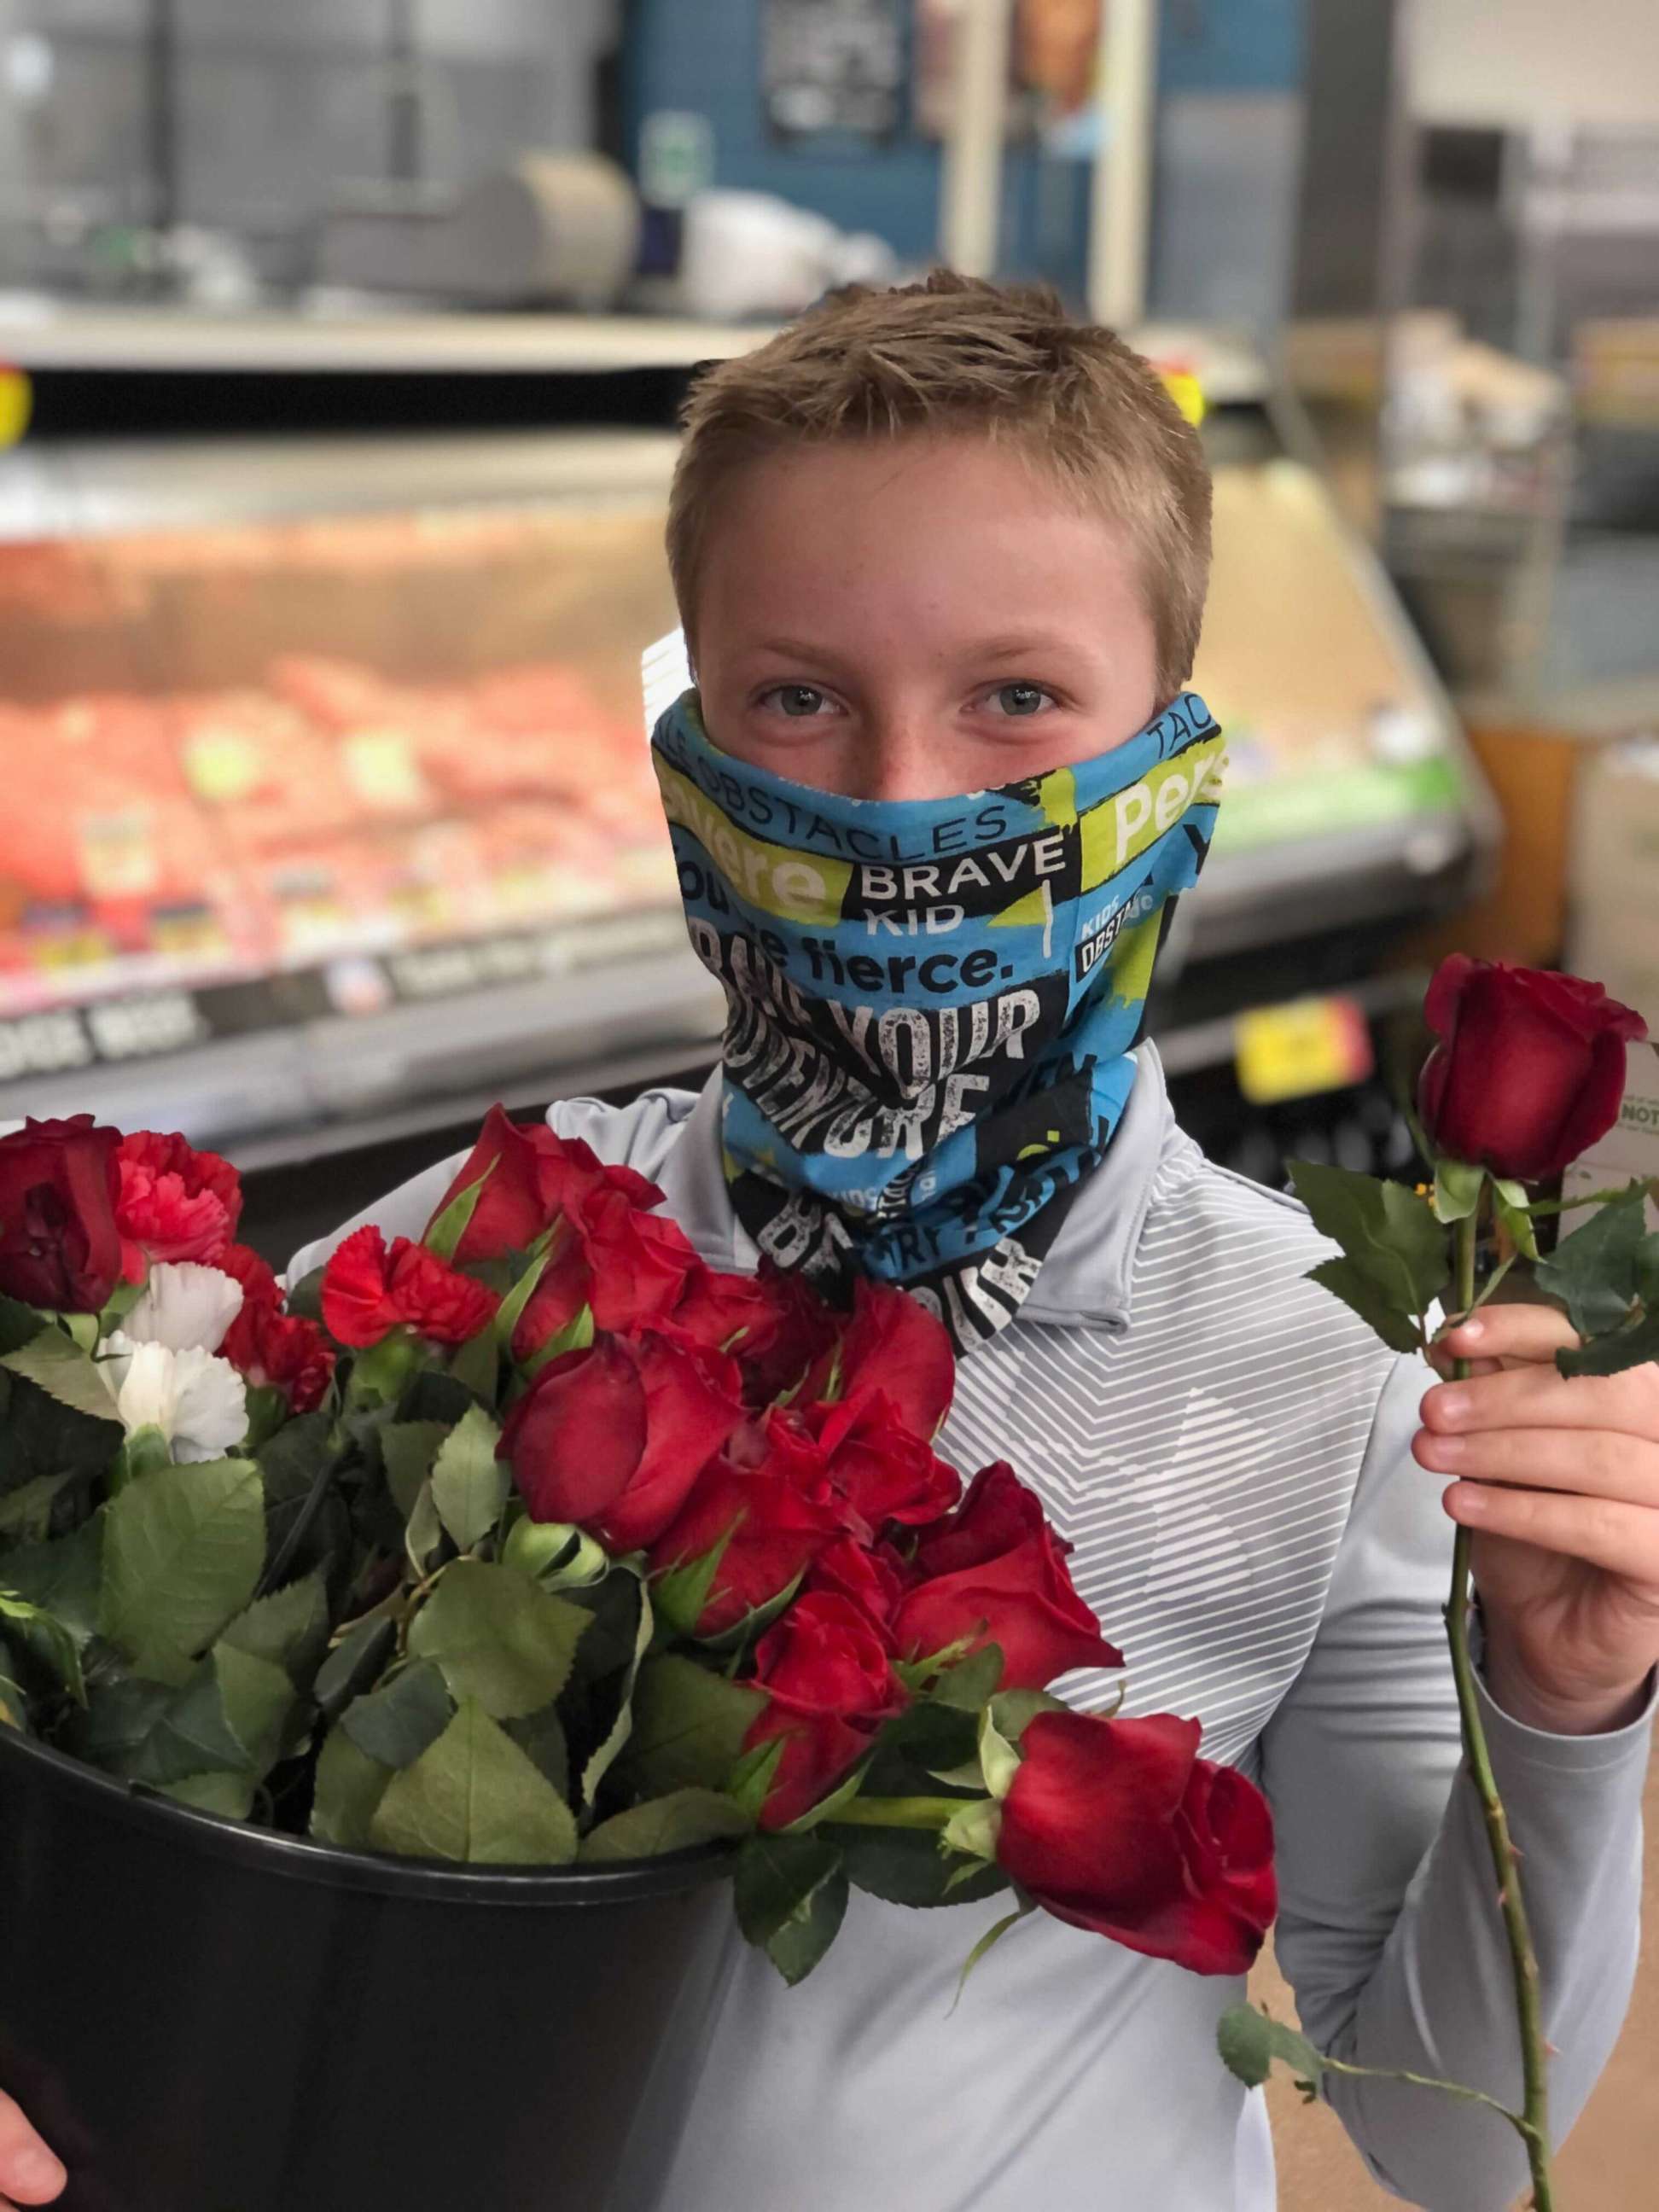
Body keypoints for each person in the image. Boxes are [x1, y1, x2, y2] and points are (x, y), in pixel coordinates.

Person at [3, 274, 1653, 2212]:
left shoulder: (1318, 1373)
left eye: (1017, 700)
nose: (896, 804)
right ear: (688, 745)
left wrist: (1567, 1712)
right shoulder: (466, 1263)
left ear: (1177, 766)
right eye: (799, 698)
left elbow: (1454, 2138)